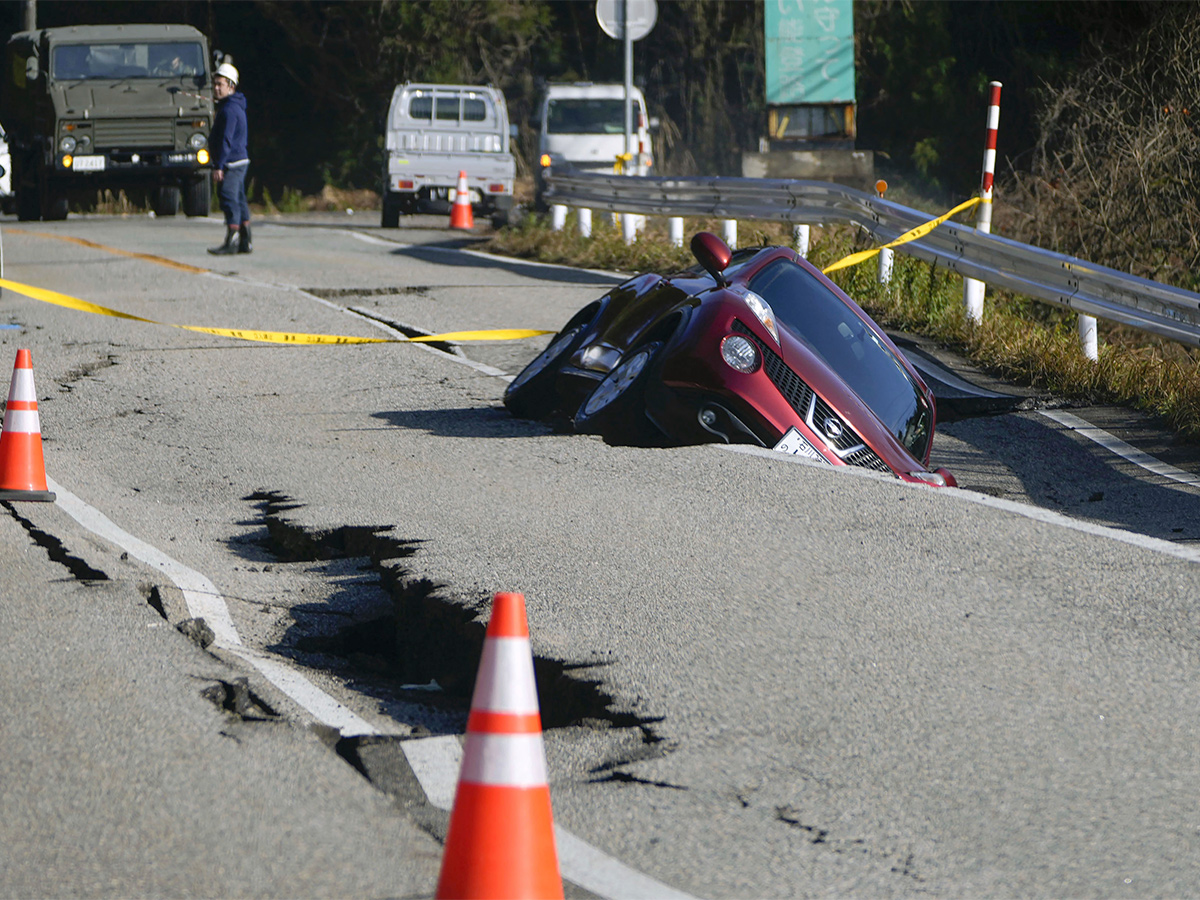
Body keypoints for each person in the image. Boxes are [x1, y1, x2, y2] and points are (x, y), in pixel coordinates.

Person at [208, 62, 252, 255]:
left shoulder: (229, 110)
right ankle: (245, 240)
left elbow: (226, 139)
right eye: (215, 84)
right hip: (240, 160)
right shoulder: (232, 106)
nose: (216, 88)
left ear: (231, 86)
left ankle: (232, 241)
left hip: (232, 162)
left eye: (221, 85)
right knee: (240, 199)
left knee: (228, 197)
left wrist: (218, 165)